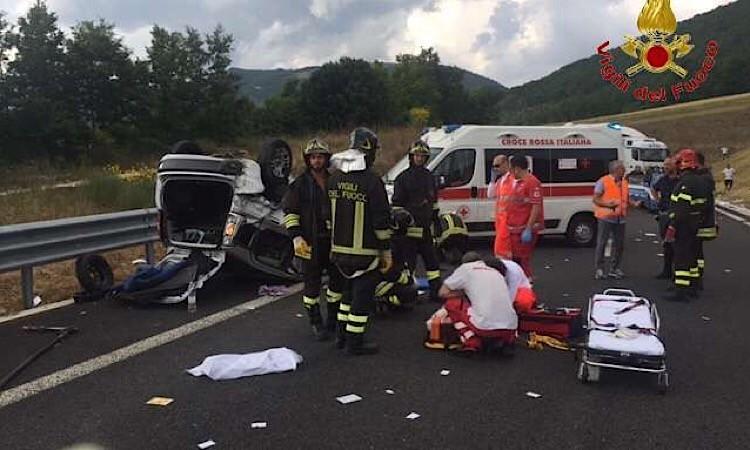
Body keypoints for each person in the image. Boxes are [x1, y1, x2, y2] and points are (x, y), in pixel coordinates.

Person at [328, 127, 392, 355]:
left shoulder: (334, 178)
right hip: (365, 254)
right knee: (361, 301)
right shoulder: (372, 182)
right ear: (368, 150)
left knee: (346, 295)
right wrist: (386, 251)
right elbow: (382, 221)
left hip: (338, 253)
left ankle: (342, 336)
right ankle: (356, 342)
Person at [283, 138, 343, 341]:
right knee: (311, 285)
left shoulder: (336, 181)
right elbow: (290, 212)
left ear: (327, 159)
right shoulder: (299, 185)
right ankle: (316, 323)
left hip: (334, 241)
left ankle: (333, 322)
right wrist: (297, 237)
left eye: (321, 157)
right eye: (313, 157)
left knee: (337, 284)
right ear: (308, 160)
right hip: (310, 242)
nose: (317, 161)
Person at [392, 140, 442, 302]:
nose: (419, 158)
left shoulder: (429, 177)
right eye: (417, 155)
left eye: (423, 156)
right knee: (409, 265)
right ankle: (407, 295)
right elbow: (397, 205)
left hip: (426, 229)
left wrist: (437, 223)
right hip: (409, 231)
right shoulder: (403, 178)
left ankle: (435, 293)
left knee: (433, 263)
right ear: (411, 157)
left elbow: (433, 202)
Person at [438, 252, 517, 353]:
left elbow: (442, 293)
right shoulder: (495, 272)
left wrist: (465, 292)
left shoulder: (466, 268)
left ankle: (471, 341)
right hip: (511, 328)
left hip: (485, 328)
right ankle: (504, 341)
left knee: (452, 303)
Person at [665, 149, 710, 302]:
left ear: (682, 164)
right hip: (694, 224)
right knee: (692, 257)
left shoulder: (685, 183)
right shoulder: (700, 181)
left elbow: (681, 209)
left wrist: (673, 225)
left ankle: (681, 291)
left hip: (684, 226)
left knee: (681, 257)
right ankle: (693, 286)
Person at [505, 155, 544, 279]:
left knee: (522, 259)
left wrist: (528, 228)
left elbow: (536, 206)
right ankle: (521, 283)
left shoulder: (532, 182)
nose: (510, 173)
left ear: (517, 168)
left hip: (524, 228)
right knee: (516, 259)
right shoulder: (518, 183)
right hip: (515, 228)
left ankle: (526, 283)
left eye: (511, 169)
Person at [593, 160, 629, 280]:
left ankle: (615, 268)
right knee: (602, 243)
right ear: (615, 170)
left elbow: (625, 199)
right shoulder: (603, 181)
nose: (624, 171)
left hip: (620, 218)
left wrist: (634, 203)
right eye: (622, 169)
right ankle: (599, 269)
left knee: (619, 245)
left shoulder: (624, 182)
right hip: (606, 217)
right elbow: (596, 199)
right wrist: (608, 205)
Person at [652, 157, 680, 279]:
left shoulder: (680, 180)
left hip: (677, 215)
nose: (666, 167)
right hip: (664, 214)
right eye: (665, 165)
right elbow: (654, 189)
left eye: (668, 165)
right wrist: (657, 200)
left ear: (675, 165)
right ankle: (667, 270)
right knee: (666, 244)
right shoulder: (663, 180)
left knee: (677, 244)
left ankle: (678, 272)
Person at [695, 151, 717, 290]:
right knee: (696, 252)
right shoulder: (706, 177)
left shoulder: (703, 179)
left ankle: (696, 279)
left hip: (700, 222)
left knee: (695, 252)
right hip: (703, 221)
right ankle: (696, 278)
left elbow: (700, 202)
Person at [487, 154, 514, 259]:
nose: (495, 168)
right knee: (500, 251)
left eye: (497, 165)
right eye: (494, 166)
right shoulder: (500, 181)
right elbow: (490, 195)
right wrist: (492, 181)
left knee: (506, 252)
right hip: (500, 221)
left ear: (506, 164)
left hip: (509, 221)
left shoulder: (512, 179)